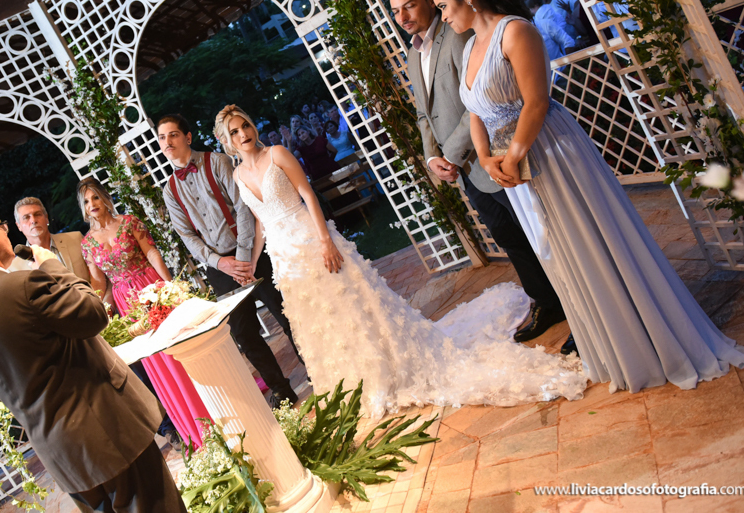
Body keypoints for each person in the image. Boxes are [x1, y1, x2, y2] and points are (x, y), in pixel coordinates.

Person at [429, 0, 744, 394]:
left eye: (444, 7)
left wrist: (515, 155)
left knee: (590, 240)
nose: (443, 18)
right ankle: (609, 343)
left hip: (548, 152)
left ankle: (645, 338)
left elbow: (536, 101)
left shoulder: (516, 31)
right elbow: (474, 113)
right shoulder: (469, 48)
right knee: (560, 253)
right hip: (511, 167)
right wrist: (486, 159)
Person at [214, 105, 587, 417]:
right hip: (287, 262)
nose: (243, 133)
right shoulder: (238, 175)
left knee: (354, 308)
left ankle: (388, 371)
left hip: (313, 242)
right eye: (234, 131)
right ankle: (353, 384)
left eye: (245, 125)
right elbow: (261, 222)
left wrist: (326, 241)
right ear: (226, 141)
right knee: (321, 322)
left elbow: (308, 195)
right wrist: (250, 262)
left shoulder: (277, 154)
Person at [0, 201, 185, 513]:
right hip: (108, 430)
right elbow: (94, 314)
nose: (6, 232)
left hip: (61, 457)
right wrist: (51, 265)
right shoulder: (21, 285)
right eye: (2, 226)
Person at [388, 0, 566, 344]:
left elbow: (476, 104)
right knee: (508, 237)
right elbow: (423, 113)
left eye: (410, 6)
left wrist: (452, 154)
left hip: (496, 154)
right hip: (470, 168)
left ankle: (572, 299)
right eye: (396, 11)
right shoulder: (413, 52)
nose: (402, 17)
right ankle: (547, 302)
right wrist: (431, 157)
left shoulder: (459, 35)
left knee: (543, 233)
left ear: (429, 1)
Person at [157, 114, 300, 407]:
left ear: (187, 137)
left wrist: (244, 259)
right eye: (162, 137)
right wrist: (220, 263)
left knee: (287, 314)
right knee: (245, 335)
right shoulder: (170, 189)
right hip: (220, 269)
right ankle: (282, 391)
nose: (167, 142)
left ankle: (317, 370)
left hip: (253, 252)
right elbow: (187, 236)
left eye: (173, 135)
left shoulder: (218, 162)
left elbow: (244, 208)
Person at [77, 178, 208, 448]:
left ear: (105, 198)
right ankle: (189, 424)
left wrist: (171, 287)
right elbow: (98, 281)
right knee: (156, 362)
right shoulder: (87, 244)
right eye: (86, 201)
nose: (92, 204)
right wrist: (98, 309)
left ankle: (207, 407)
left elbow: (152, 253)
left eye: (96, 197)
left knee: (175, 349)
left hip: (150, 287)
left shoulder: (129, 223)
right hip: (127, 304)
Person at [9, 197, 90, 281]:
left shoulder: (76, 239)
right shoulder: (15, 269)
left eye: (37, 214)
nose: (33, 220)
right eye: (26, 217)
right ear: (18, 226)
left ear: (46, 218)